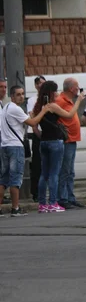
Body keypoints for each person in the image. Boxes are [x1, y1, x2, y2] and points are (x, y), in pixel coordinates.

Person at [33, 81, 85, 213]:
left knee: (44, 174)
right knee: (54, 173)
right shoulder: (51, 106)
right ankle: (53, 202)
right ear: (51, 93)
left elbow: (34, 125)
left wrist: (40, 135)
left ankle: (42, 203)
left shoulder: (38, 106)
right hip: (55, 141)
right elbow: (68, 115)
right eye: (55, 91)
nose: (57, 93)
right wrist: (79, 101)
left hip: (44, 141)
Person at [0, 86, 49, 217]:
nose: (21, 97)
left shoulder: (5, 108)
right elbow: (33, 122)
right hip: (15, 146)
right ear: (12, 96)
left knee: (3, 179)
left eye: (22, 94)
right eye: (18, 94)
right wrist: (43, 111)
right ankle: (15, 208)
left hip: (4, 145)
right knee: (15, 178)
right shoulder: (15, 109)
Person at [56, 78, 86, 209]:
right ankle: (63, 198)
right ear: (71, 88)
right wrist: (79, 100)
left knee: (70, 171)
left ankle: (70, 197)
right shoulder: (60, 100)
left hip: (72, 139)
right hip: (66, 140)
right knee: (65, 170)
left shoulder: (68, 101)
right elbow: (65, 116)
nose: (78, 88)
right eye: (77, 87)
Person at [27, 75, 46, 203]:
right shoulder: (32, 100)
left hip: (49, 133)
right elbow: (32, 117)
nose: (41, 85)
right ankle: (36, 192)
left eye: (43, 83)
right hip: (38, 133)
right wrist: (37, 132)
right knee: (37, 164)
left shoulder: (50, 98)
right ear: (35, 86)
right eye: (39, 83)